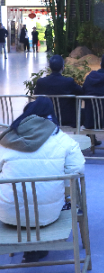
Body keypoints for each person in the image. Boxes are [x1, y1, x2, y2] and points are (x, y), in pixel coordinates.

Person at [0, 97, 85, 263]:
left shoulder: (6, 140)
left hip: (8, 214)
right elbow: (77, 169)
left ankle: (27, 248)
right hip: (48, 216)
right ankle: (38, 246)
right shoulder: (62, 139)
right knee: (57, 199)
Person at [33, 54, 83, 128]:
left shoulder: (41, 82)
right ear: (63, 67)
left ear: (50, 67)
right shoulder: (69, 82)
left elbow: (36, 96)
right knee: (85, 112)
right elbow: (81, 93)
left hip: (47, 119)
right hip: (68, 119)